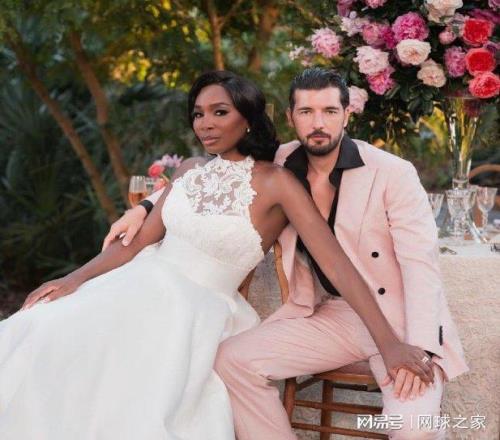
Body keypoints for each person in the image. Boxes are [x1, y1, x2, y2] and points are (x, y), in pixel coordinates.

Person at [0, 71, 432, 440]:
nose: (205, 124)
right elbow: (139, 241)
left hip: (193, 307)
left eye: (220, 112)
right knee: (39, 328)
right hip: (137, 285)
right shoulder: (189, 169)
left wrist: (390, 344)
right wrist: (73, 279)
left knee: (131, 392)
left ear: (248, 118)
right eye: (198, 114)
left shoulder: (278, 181)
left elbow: (336, 263)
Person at [109, 68, 468, 439]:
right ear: (290, 117)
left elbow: (421, 268)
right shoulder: (279, 162)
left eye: (329, 111)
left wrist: (418, 347)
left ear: (347, 114)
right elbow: (212, 175)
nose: (318, 123)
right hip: (337, 315)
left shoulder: (392, 172)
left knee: (414, 429)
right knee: (230, 360)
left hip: (399, 319)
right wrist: (145, 207)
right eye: (306, 112)